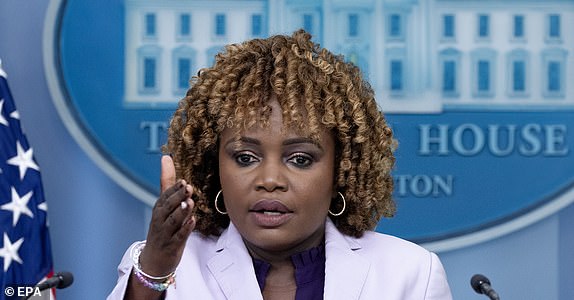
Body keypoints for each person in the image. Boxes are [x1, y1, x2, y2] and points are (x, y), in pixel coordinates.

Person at [108, 29, 452, 300]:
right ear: (216, 170)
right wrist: (154, 273)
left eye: (300, 159)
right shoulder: (162, 266)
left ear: (339, 171)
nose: (270, 179)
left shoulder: (410, 275)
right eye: (245, 158)